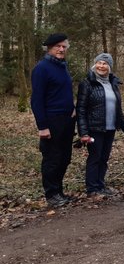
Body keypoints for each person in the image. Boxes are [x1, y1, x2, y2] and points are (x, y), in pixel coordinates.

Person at [76, 53, 124, 196]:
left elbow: (117, 109)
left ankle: (100, 186)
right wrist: (83, 132)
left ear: (109, 67)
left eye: (105, 64)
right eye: (99, 63)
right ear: (95, 64)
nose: (101, 66)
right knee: (95, 157)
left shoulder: (112, 84)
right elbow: (81, 109)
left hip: (110, 128)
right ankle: (92, 188)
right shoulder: (87, 83)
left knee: (104, 158)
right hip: (94, 128)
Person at [30, 33, 76, 208]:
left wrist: (72, 109)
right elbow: (36, 100)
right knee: (52, 158)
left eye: (64, 46)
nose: (61, 49)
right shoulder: (42, 68)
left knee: (65, 158)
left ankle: (59, 191)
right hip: (51, 121)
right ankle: (51, 194)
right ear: (49, 48)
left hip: (67, 121)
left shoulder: (62, 66)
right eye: (58, 46)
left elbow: (63, 92)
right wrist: (42, 126)